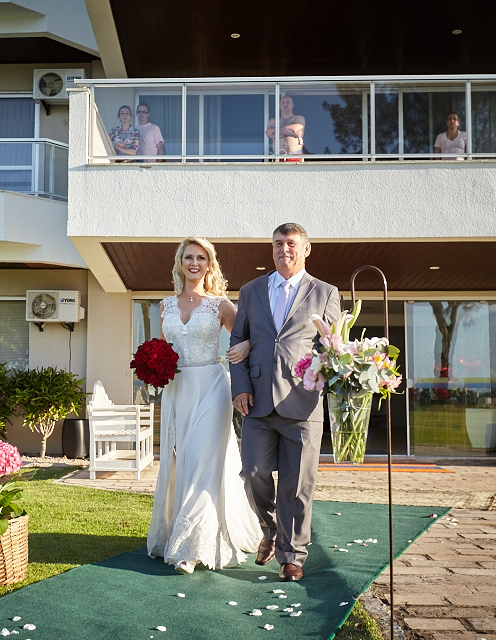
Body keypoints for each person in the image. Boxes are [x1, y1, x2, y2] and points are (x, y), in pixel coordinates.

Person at [230, 223, 342, 582]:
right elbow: (238, 341)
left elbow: (333, 347)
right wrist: (240, 387)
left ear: (306, 249)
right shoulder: (251, 291)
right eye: (278, 243)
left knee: (297, 484)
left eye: (291, 243)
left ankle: (292, 555)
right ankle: (270, 529)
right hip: (257, 402)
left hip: (303, 401)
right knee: (252, 473)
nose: (284, 249)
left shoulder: (325, 293)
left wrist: (333, 372)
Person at [147, 237, 262, 573]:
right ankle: (183, 532)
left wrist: (245, 347)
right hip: (177, 390)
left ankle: (190, 547)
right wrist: (153, 368)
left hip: (212, 388)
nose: (194, 263)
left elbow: (253, 335)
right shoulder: (165, 306)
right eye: (188, 257)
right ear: (180, 263)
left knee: (201, 462)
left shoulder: (220, 305)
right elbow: (161, 349)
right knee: (180, 463)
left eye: (201, 258)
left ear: (209, 265)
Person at [265, 96, 305, 162]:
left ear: (292, 105)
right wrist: (288, 133)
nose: (285, 104)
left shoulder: (298, 118)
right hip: (277, 156)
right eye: (283, 102)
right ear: (279, 106)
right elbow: (268, 134)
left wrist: (275, 131)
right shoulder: (273, 121)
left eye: (288, 102)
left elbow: (293, 130)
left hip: (295, 155)